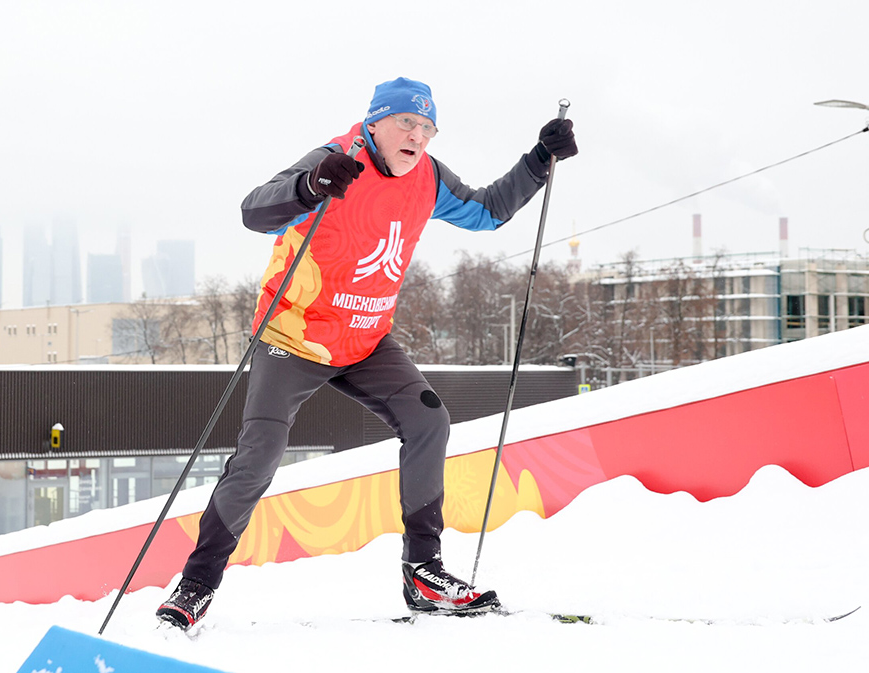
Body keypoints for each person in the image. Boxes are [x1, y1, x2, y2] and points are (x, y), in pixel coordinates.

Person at [156, 77, 577, 629]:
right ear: (374, 122)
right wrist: (310, 186)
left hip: (365, 340)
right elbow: (253, 212)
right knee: (261, 454)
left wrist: (539, 158)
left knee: (430, 422)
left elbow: (487, 212)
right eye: (406, 123)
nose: (418, 136)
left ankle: (423, 572)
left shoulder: (426, 176)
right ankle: (196, 584)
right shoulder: (338, 159)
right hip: (294, 336)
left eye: (427, 128)